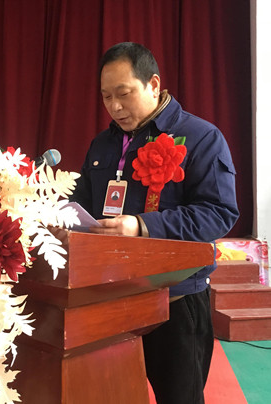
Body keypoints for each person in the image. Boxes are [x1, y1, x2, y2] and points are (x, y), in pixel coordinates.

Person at [69, 42, 239, 404]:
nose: (115, 106)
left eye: (124, 93)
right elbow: (80, 205)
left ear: (153, 84)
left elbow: (219, 213)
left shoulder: (202, 137)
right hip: (106, 299)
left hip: (174, 300)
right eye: (106, 97)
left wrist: (143, 226)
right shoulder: (102, 145)